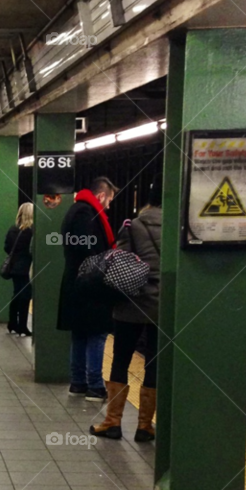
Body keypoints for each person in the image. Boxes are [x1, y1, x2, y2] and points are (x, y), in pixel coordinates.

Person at [91, 181, 162, 440]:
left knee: (120, 359)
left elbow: (119, 263)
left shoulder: (133, 226)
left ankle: (113, 422)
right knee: (154, 363)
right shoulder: (180, 226)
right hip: (162, 304)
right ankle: (145, 426)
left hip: (132, 303)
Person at [57, 176, 117, 401]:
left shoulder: (77, 210)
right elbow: (88, 251)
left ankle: (78, 383)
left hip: (78, 284)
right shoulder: (85, 214)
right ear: (100, 196)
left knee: (80, 333)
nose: (108, 206)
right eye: (109, 200)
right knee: (97, 333)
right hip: (89, 286)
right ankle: (94, 385)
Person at [4, 202, 34, 335]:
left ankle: (12, 323)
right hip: (26, 268)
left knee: (16, 293)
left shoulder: (13, 229)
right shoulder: (31, 231)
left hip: (14, 266)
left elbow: (6, 247)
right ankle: (22, 326)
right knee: (26, 295)